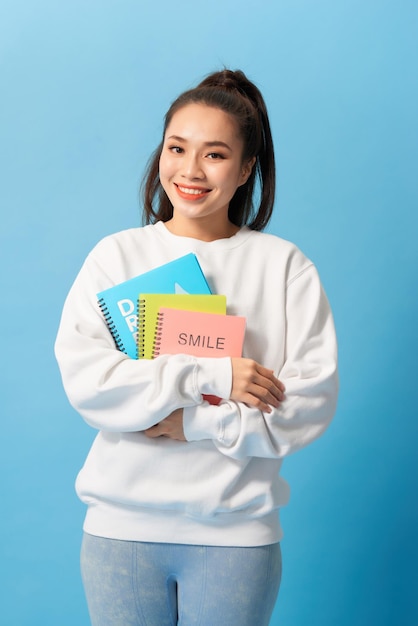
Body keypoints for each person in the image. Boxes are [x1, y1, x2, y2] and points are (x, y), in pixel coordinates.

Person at [55, 68, 338, 626]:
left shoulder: (285, 267)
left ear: (247, 167)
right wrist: (210, 375)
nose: (190, 170)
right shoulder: (116, 257)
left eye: (215, 154)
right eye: (177, 148)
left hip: (236, 535)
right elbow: (89, 385)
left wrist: (193, 425)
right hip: (121, 532)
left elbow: (309, 405)